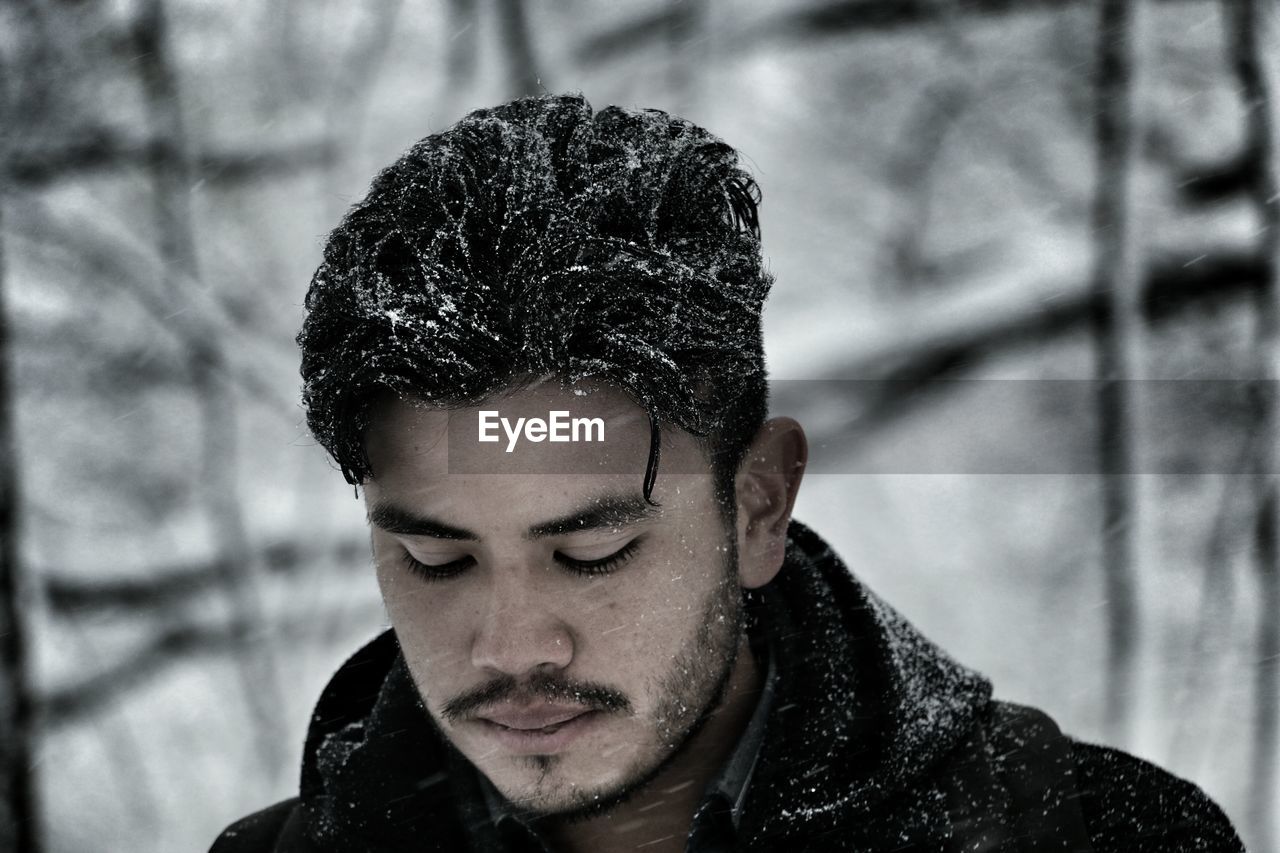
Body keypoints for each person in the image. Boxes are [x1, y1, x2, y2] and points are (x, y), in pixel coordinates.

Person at [211, 94, 1245, 853]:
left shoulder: (1099, 838)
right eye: (436, 557)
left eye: (591, 550)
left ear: (756, 505)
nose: (511, 642)